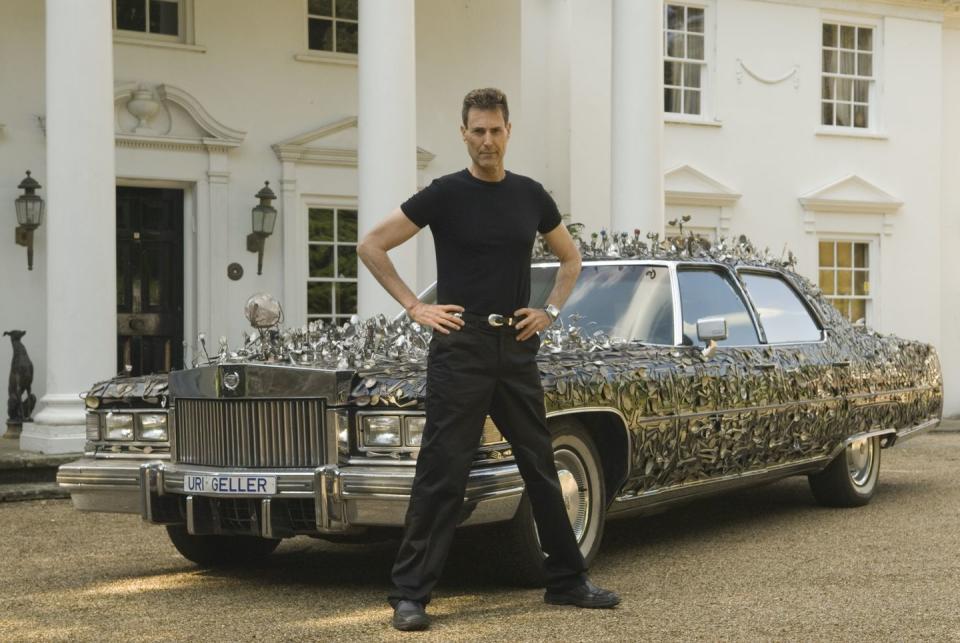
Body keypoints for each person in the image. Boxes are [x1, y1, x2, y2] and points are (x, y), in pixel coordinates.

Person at [357, 87, 620, 632]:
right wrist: (414, 307)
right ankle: (410, 595)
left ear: (508, 131)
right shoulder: (444, 194)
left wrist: (547, 310)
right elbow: (372, 245)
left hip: (517, 347)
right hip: (461, 346)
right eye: (477, 130)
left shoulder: (530, 195)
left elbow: (570, 258)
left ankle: (567, 581)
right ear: (463, 133)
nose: (487, 140)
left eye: (495, 130)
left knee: (540, 465)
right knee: (442, 471)